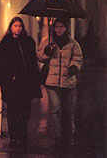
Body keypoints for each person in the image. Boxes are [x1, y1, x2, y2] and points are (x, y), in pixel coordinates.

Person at [0, 16, 42, 150]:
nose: (18, 28)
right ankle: (14, 137)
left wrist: (35, 81)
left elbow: (32, 64)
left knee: (25, 110)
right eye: (15, 26)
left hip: (25, 83)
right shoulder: (5, 43)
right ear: (11, 27)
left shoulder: (28, 42)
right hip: (11, 84)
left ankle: (22, 135)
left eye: (20, 26)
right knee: (13, 111)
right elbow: (0, 63)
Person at [37, 18, 83, 151]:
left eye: (61, 26)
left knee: (67, 111)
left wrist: (74, 67)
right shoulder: (47, 41)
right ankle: (57, 138)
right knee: (55, 110)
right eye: (56, 26)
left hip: (67, 82)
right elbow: (39, 56)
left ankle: (68, 136)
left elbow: (78, 58)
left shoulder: (73, 44)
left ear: (66, 28)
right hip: (51, 82)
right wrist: (47, 52)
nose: (59, 29)